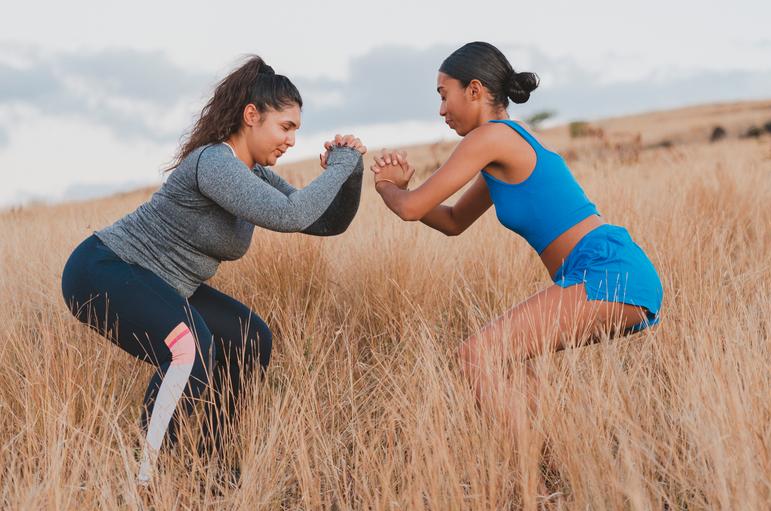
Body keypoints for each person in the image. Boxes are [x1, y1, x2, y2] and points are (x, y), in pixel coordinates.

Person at [61, 55, 366, 485]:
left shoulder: (253, 172)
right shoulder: (215, 163)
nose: (292, 141)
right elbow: (290, 214)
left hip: (163, 281)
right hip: (105, 268)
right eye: (286, 127)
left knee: (249, 338)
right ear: (251, 116)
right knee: (190, 347)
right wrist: (337, 166)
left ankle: (208, 468)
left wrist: (351, 171)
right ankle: (143, 483)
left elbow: (325, 223)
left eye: (296, 130)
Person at [370, 42, 663, 425]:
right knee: (511, 366)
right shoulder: (505, 144)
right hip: (601, 269)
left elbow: (410, 210)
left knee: (478, 355)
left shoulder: (491, 137)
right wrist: (405, 193)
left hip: (606, 270)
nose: (441, 110)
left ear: (474, 90)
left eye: (445, 96)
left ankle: (525, 476)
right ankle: (549, 468)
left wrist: (388, 187)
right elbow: (454, 221)